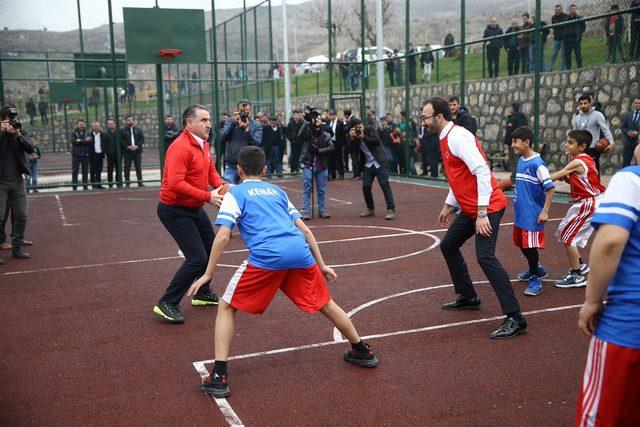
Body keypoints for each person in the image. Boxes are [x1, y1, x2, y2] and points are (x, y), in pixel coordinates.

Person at [188, 146, 378, 398]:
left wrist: (208, 274)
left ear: (238, 170)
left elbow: (223, 235)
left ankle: (219, 376)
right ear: (265, 169)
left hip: (267, 257)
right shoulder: (278, 191)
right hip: (300, 253)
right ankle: (361, 350)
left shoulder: (235, 194)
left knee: (226, 306)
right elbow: (306, 230)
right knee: (326, 303)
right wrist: (321, 264)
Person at [422, 97, 526, 339]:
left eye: (425, 117)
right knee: (448, 245)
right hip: (472, 208)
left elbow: (481, 171)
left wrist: (481, 214)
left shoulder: (458, 137)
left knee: (485, 257)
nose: (423, 122)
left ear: (439, 117)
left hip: (487, 206)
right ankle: (468, 296)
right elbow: (459, 176)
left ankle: (516, 317)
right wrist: (449, 205)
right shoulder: (445, 137)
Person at [575, 166, 640, 426]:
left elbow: (610, 240)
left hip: (627, 329)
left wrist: (592, 300)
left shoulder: (631, 179)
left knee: (599, 418)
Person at [153, 105, 226, 323]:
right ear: (188, 123)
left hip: (194, 207)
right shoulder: (180, 147)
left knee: (211, 248)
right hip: (174, 210)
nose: (209, 124)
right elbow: (175, 184)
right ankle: (167, 302)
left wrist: (222, 187)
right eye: (203, 120)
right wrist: (208, 196)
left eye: (209, 120)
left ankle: (202, 292)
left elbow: (210, 171)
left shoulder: (203, 144)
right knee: (197, 258)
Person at [550, 130, 604, 288]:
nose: (566, 144)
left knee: (568, 237)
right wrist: (566, 178)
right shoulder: (586, 159)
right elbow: (580, 182)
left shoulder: (577, 162)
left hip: (589, 203)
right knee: (563, 231)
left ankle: (577, 275)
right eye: (567, 141)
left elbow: (553, 176)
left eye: (571, 142)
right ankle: (580, 264)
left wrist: (535, 178)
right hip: (587, 201)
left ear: (582, 146)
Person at [510, 126, 555, 296]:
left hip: (532, 214)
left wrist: (545, 211)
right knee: (521, 243)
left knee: (529, 246)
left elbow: (550, 188)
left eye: (515, 142)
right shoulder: (522, 160)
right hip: (521, 213)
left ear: (526, 142)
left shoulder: (538, 164)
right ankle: (535, 268)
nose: (512, 145)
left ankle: (535, 277)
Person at [0, 105, 34, 264]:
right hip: (1, 183)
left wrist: (18, 135)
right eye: (9, 119)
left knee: (21, 215)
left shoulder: (18, 132)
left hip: (18, 182)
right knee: (0, 217)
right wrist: (2, 132)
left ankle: (17, 247)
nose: (13, 122)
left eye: (14, 119)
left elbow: (30, 148)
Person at [349, 119, 396, 220]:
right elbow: (352, 150)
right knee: (366, 186)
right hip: (368, 164)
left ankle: (391, 209)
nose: (359, 128)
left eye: (359, 126)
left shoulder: (370, 129)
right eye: (356, 128)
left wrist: (363, 137)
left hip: (380, 162)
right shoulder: (354, 137)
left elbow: (376, 141)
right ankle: (370, 209)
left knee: (384, 185)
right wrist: (352, 139)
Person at [298, 110, 334, 220]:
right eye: (315, 118)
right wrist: (307, 122)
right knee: (307, 187)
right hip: (308, 164)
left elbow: (332, 147)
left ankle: (322, 210)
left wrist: (319, 151)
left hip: (321, 165)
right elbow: (300, 134)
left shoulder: (326, 134)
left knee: (321, 189)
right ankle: (306, 211)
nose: (317, 120)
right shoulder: (308, 132)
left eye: (319, 118)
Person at [219, 100, 262, 184]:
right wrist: (233, 124)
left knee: (248, 192)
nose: (244, 115)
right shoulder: (230, 121)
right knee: (229, 191)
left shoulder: (256, 125)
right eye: (242, 112)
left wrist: (247, 130)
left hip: (249, 165)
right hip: (232, 164)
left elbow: (257, 144)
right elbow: (222, 138)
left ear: (251, 111)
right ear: (237, 111)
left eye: (247, 112)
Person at [571, 94, 614, 172]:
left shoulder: (597, 115)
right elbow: (574, 134)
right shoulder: (577, 118)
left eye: (585, 103)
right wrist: (573, 147)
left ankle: (595, 184)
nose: (583, 105)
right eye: (581, 104)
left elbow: (605, 129)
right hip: (580, 149)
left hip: (593, 148)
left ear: (590, 103)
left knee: (594, 171)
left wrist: (611, 142)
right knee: (581, 172)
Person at [503, 101, 528, 185]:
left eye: (510, 107)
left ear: (513, 108)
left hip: (514, 143)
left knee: (513, 161)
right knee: (521, 160)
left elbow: (509, 132)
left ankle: (514, 179)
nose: (509, 109)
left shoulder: (512, 119)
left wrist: (507, 142)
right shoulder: (523, 118)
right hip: (523, 143)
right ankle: (521, 177)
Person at [120, 115, 145, 187]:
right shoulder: (122, 130)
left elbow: (142, 139)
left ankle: (140, 182)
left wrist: (137, 146)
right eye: (128, 120)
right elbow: (121, 140)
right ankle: (127, 183)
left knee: (138, 167)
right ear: (126, 121)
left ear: (133, 120)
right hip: (127, 152)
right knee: (127, 167)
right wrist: (128, 146)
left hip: (137, 151)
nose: (130, 121)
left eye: (131, 120)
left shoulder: (138, 129)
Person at [69, 119, 91, 191]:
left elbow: (90, 141)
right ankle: (74, 186)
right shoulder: (73, 132)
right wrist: (84, 141)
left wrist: (79, 141)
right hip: (76, 155)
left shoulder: (87, 133)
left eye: (83, 124)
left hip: (85, 154)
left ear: (84, 125)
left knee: (85, 171)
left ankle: (85, 186)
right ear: (77, 125)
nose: (81, 126)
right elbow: (73, 142)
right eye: (80, 124)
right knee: (75, 171)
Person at [620, 96, 640, 168]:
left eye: (639, 103)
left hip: (639, 143)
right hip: (628, 142)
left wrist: (638, 133)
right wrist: (628, 132)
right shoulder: (628, 115)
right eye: (636, 103)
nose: (637, 104)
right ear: (633, 104)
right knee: (626, 162)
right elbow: (623, 126)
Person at [564, 4, 585, 69]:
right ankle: (568, 68)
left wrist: (579, 33)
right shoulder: (566, 19)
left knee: (578, 53)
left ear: (576, 9)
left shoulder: (579, 18)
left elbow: (583, 27)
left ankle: (580, 67)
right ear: (569, 10)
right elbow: (564, 28)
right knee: (567, 54)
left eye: (574, 9)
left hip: (576, 38)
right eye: (571, 9)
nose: (573, 10)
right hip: (568, 39)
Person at [103, 119, 122, 188]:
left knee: (118, 169)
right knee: (110, 169)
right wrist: (107, 153)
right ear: (108, 125)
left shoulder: (118, 133)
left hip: (118, 155)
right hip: (110, 155)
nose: (111, 125)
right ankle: (110, 183)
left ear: (114, 124)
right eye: (109, 124)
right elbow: (104, 145)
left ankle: (118, 183)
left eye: (112, 124)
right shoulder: (105, 134)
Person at [549, 4, 569, 71]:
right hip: (556, 39)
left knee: (563, 55)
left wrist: (560, 26)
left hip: (563, 38)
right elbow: (555, 27)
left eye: (558, 10)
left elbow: (564, 26)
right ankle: (551, 69)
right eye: (556, 10)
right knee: (553, 54)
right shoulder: (553, 17)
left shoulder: (565, 16)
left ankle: (561, 69)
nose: (557, 11)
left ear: (561, 10)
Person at [88, 121, 105, 190]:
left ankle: (99, 184)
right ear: (92, 127)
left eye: (97, 126)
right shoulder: (89, 135)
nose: (96, 127)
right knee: (93, 170)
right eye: (94, 126)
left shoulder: (103, 134)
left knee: (99, 170)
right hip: (92, 155)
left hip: (100, 154)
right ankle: (93, 185)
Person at [286, 110, 304, 174]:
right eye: (295, 115)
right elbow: (287, 133)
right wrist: (291, 140)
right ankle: (292, 169)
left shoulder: (301, 123)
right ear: (293, 115)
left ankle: (298, 168)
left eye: (297, 115)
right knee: (293, 156)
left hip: (300, 142)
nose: (296, 116)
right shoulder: (290, 123)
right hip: (293, 142)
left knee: (300, 155)